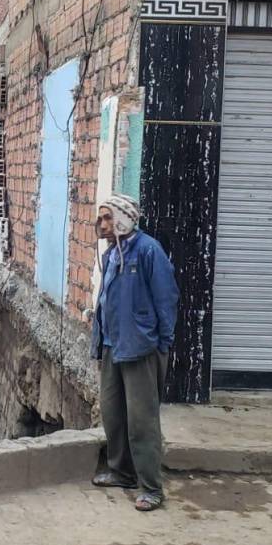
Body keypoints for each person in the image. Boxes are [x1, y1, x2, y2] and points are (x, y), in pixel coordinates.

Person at [90, 194, 180, 512]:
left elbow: (166, 298)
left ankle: (152, 487)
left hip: (141, 347)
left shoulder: (147, 250)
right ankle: (122, 472)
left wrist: (162, 344)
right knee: (113, 414)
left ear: (123, 219)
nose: (100, 224)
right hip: (114, 345)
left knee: (142, 421)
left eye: (106, 218)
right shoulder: (115, 251)